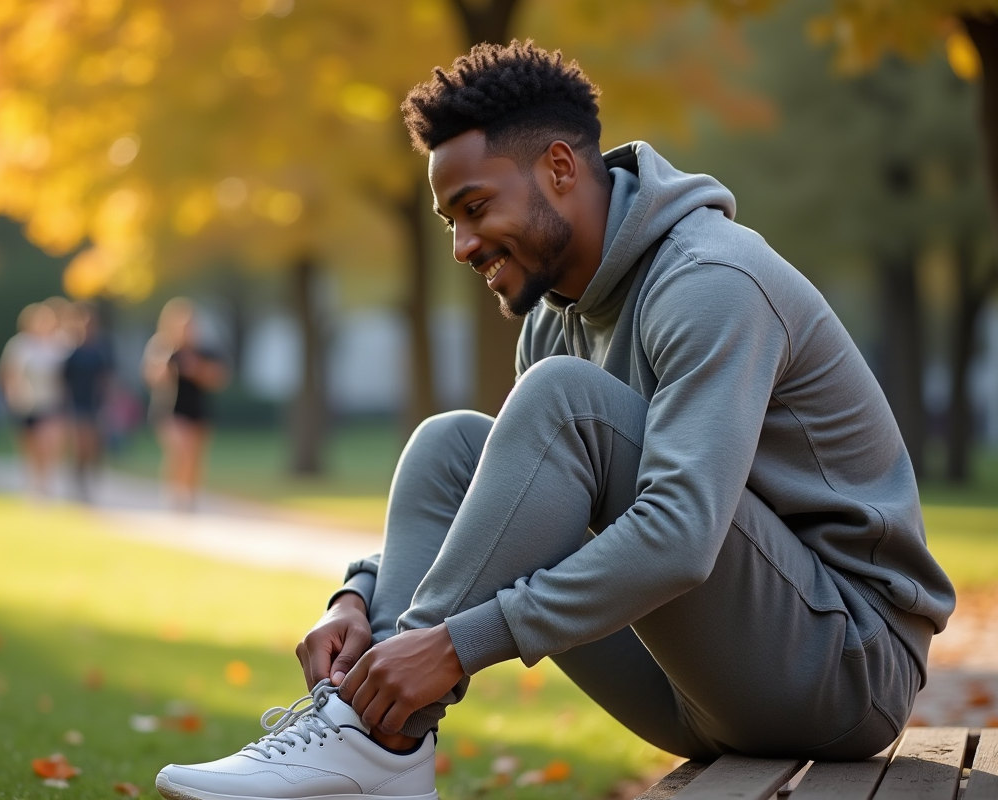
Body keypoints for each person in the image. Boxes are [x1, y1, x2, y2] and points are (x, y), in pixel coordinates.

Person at [155, 41, 956, 800]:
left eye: (476, 207)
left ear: (561, 168)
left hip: (845, 665)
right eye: (450, 223)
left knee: (561, 399)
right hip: (698, 682)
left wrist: (454, 645)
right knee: (450, 448)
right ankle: (382, 742)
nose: (464, 245)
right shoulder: (553, 318)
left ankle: (368, 733)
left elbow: (681, 535)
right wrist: (357, 598)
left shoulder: (711, 280)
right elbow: (506, 504)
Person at [142, 298, 228, 512]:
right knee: (181, 450)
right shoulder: (162, 347)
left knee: (194, 456)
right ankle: (175, 495)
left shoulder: (205, 351)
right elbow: (151, 377)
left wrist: (196, 369)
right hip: (169, 410)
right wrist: (164, 365)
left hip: (197, 409)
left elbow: (219, 378)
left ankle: (189, 496)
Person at [0, 302, 68, 499]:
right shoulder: (20, 345)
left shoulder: (59, 346)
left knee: (48, 443)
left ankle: (45, 483)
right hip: (24, 403)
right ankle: (34, 483)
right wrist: (11, 394)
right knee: (30, 446)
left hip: (51, 403)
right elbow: (7, 373)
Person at [61, 303, 113, 502]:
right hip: (77, 403)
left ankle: (89, 481)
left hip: (96, 404)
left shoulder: (101, 349)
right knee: (80, 444)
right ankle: (78, 481)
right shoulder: (72, 351)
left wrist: (107, 403)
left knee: (94, 446)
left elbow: (107, 377)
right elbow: (64, 380)